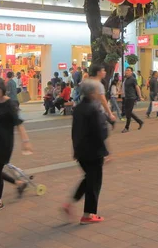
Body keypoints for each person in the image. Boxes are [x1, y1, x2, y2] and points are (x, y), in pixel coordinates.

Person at [62, 79, 109, 224]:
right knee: (94, 182)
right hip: (94, 151)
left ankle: (70, 204)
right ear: (92, 93)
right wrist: (106, 151)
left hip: (80, 151)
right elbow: (100, 132)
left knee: (89, 178)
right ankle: (88, 215)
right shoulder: (93, 109)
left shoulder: (78, 108)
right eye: (96, 91)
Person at [0, 78, 32, 214]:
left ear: (0, 89)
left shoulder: (10, 104)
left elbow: (19, 123)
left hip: (5, 142)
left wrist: (25, 141)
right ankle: (19, 184)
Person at [122, 67, 143, 133]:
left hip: (131, 98)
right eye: (126, 70)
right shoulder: (126, 79)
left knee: (128, 113)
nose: (126, 71)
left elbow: (137, 88)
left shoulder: (133, 79)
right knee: (128, 112)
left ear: (131, 72)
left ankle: (126, 127)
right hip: (126, 98)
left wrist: (140, 96)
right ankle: (140, 121)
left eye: (128, 70)